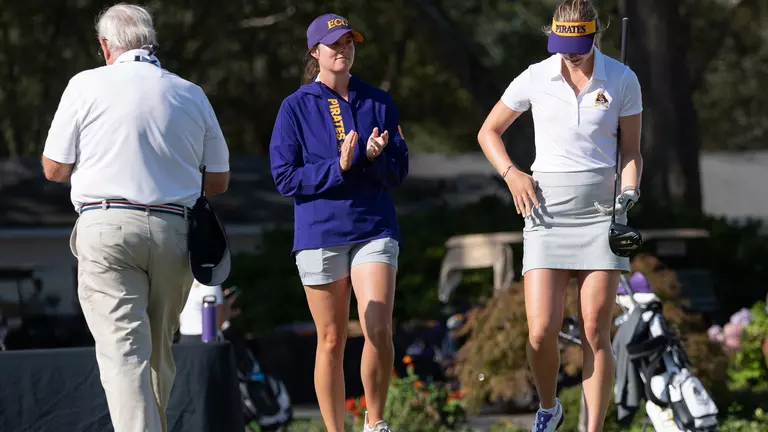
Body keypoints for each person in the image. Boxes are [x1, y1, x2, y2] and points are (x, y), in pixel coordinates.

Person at [41, 4, 230, 432]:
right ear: (151, 41)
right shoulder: (190, 92)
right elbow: (219, 180)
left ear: (105, 45)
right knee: (158, 353)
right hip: (174, 230)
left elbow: (54, 168)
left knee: (125, 354)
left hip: (106, 225)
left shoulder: (85, 84)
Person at [476, 1, 643, 431]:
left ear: (595, 35)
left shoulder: (622, 79)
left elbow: (631, 152)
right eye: (561, 45)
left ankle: (593, 428)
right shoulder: (535, 76)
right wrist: (512, 174)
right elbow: (488, 131)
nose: (568, 54)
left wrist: (628, 193)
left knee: (594, 330)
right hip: (545, 216)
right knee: (540, 331)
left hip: (600, 216)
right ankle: (549, 408)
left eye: (577, 46)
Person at [269, 13, 409, 432]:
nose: (343, 49)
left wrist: (373, 158)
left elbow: (399, 171)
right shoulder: (294, 107)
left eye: (349, 42)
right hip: (321, 232)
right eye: (334, 44)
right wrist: (339, 166)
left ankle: (376, 422)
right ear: (315, 52)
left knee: (378, 327)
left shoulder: (378, 101)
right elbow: (285, 177)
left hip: (373, 229)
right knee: (330, 338)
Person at [178, 280, 240, 344]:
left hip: (184, 336)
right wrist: (227, 310)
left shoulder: (184, 281)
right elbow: (218, 320)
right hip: (207, 337)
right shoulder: (211, 284)